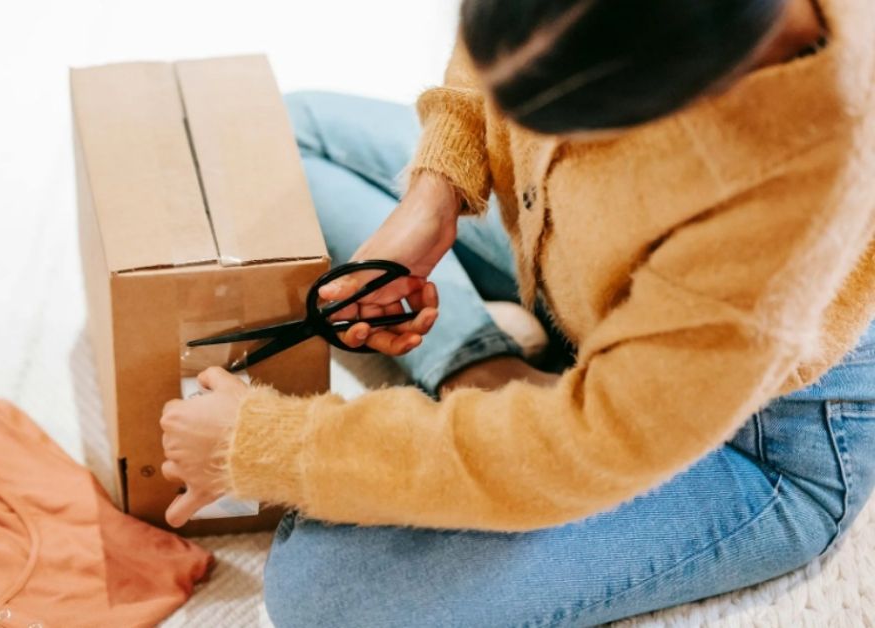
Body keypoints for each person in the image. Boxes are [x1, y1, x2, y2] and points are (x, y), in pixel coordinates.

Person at [160, 0, 875, 624]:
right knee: (289, 133)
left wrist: (264, 445)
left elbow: (592, 447)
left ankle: (501, 398)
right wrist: (435, 195)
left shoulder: (803, 175)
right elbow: (490, 60)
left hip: (754, 442)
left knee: (324, 592)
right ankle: (482, 364)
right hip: (574, 269)